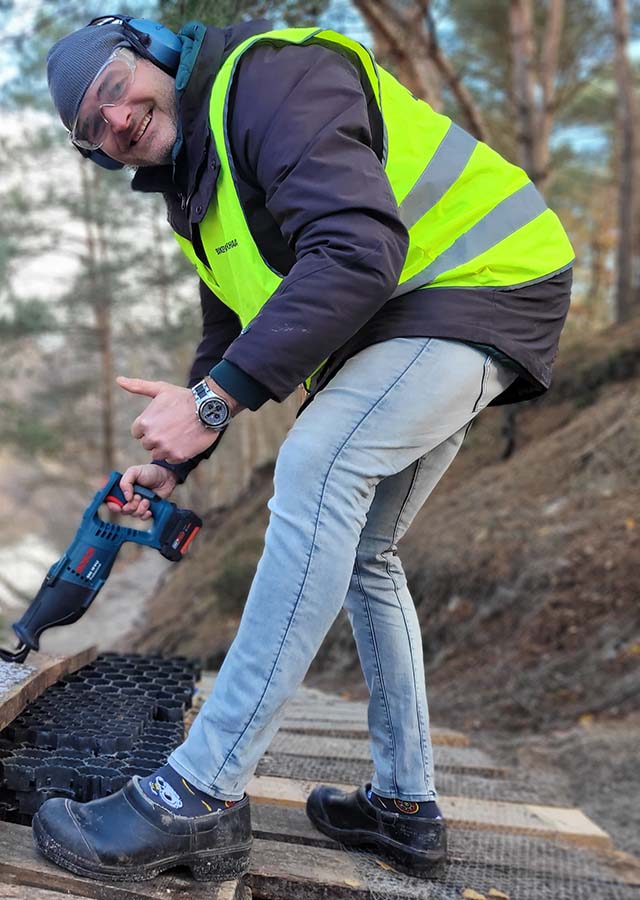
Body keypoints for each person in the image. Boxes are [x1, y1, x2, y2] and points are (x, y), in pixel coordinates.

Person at [33, 14, 575, 883]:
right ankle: (405, 807)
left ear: (155, 55)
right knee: (366, 549)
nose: (117, 122)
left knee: (317, 464)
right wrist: (172, 459)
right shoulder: (196, 189)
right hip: (416, 317)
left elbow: (360, 250)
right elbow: (233, 326)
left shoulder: (269, 81)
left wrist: (212, 405)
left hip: (483, 285)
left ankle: (199, 793)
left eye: (115, 91)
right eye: (92, 131)